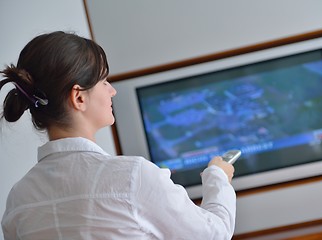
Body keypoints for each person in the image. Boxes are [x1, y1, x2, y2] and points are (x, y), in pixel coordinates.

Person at [0, 31, 236, 239]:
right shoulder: (133, 177)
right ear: (79, 97)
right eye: (103, 81)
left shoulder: (18, 199)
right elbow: (213, 234)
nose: (112, 90)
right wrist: (218, 177)